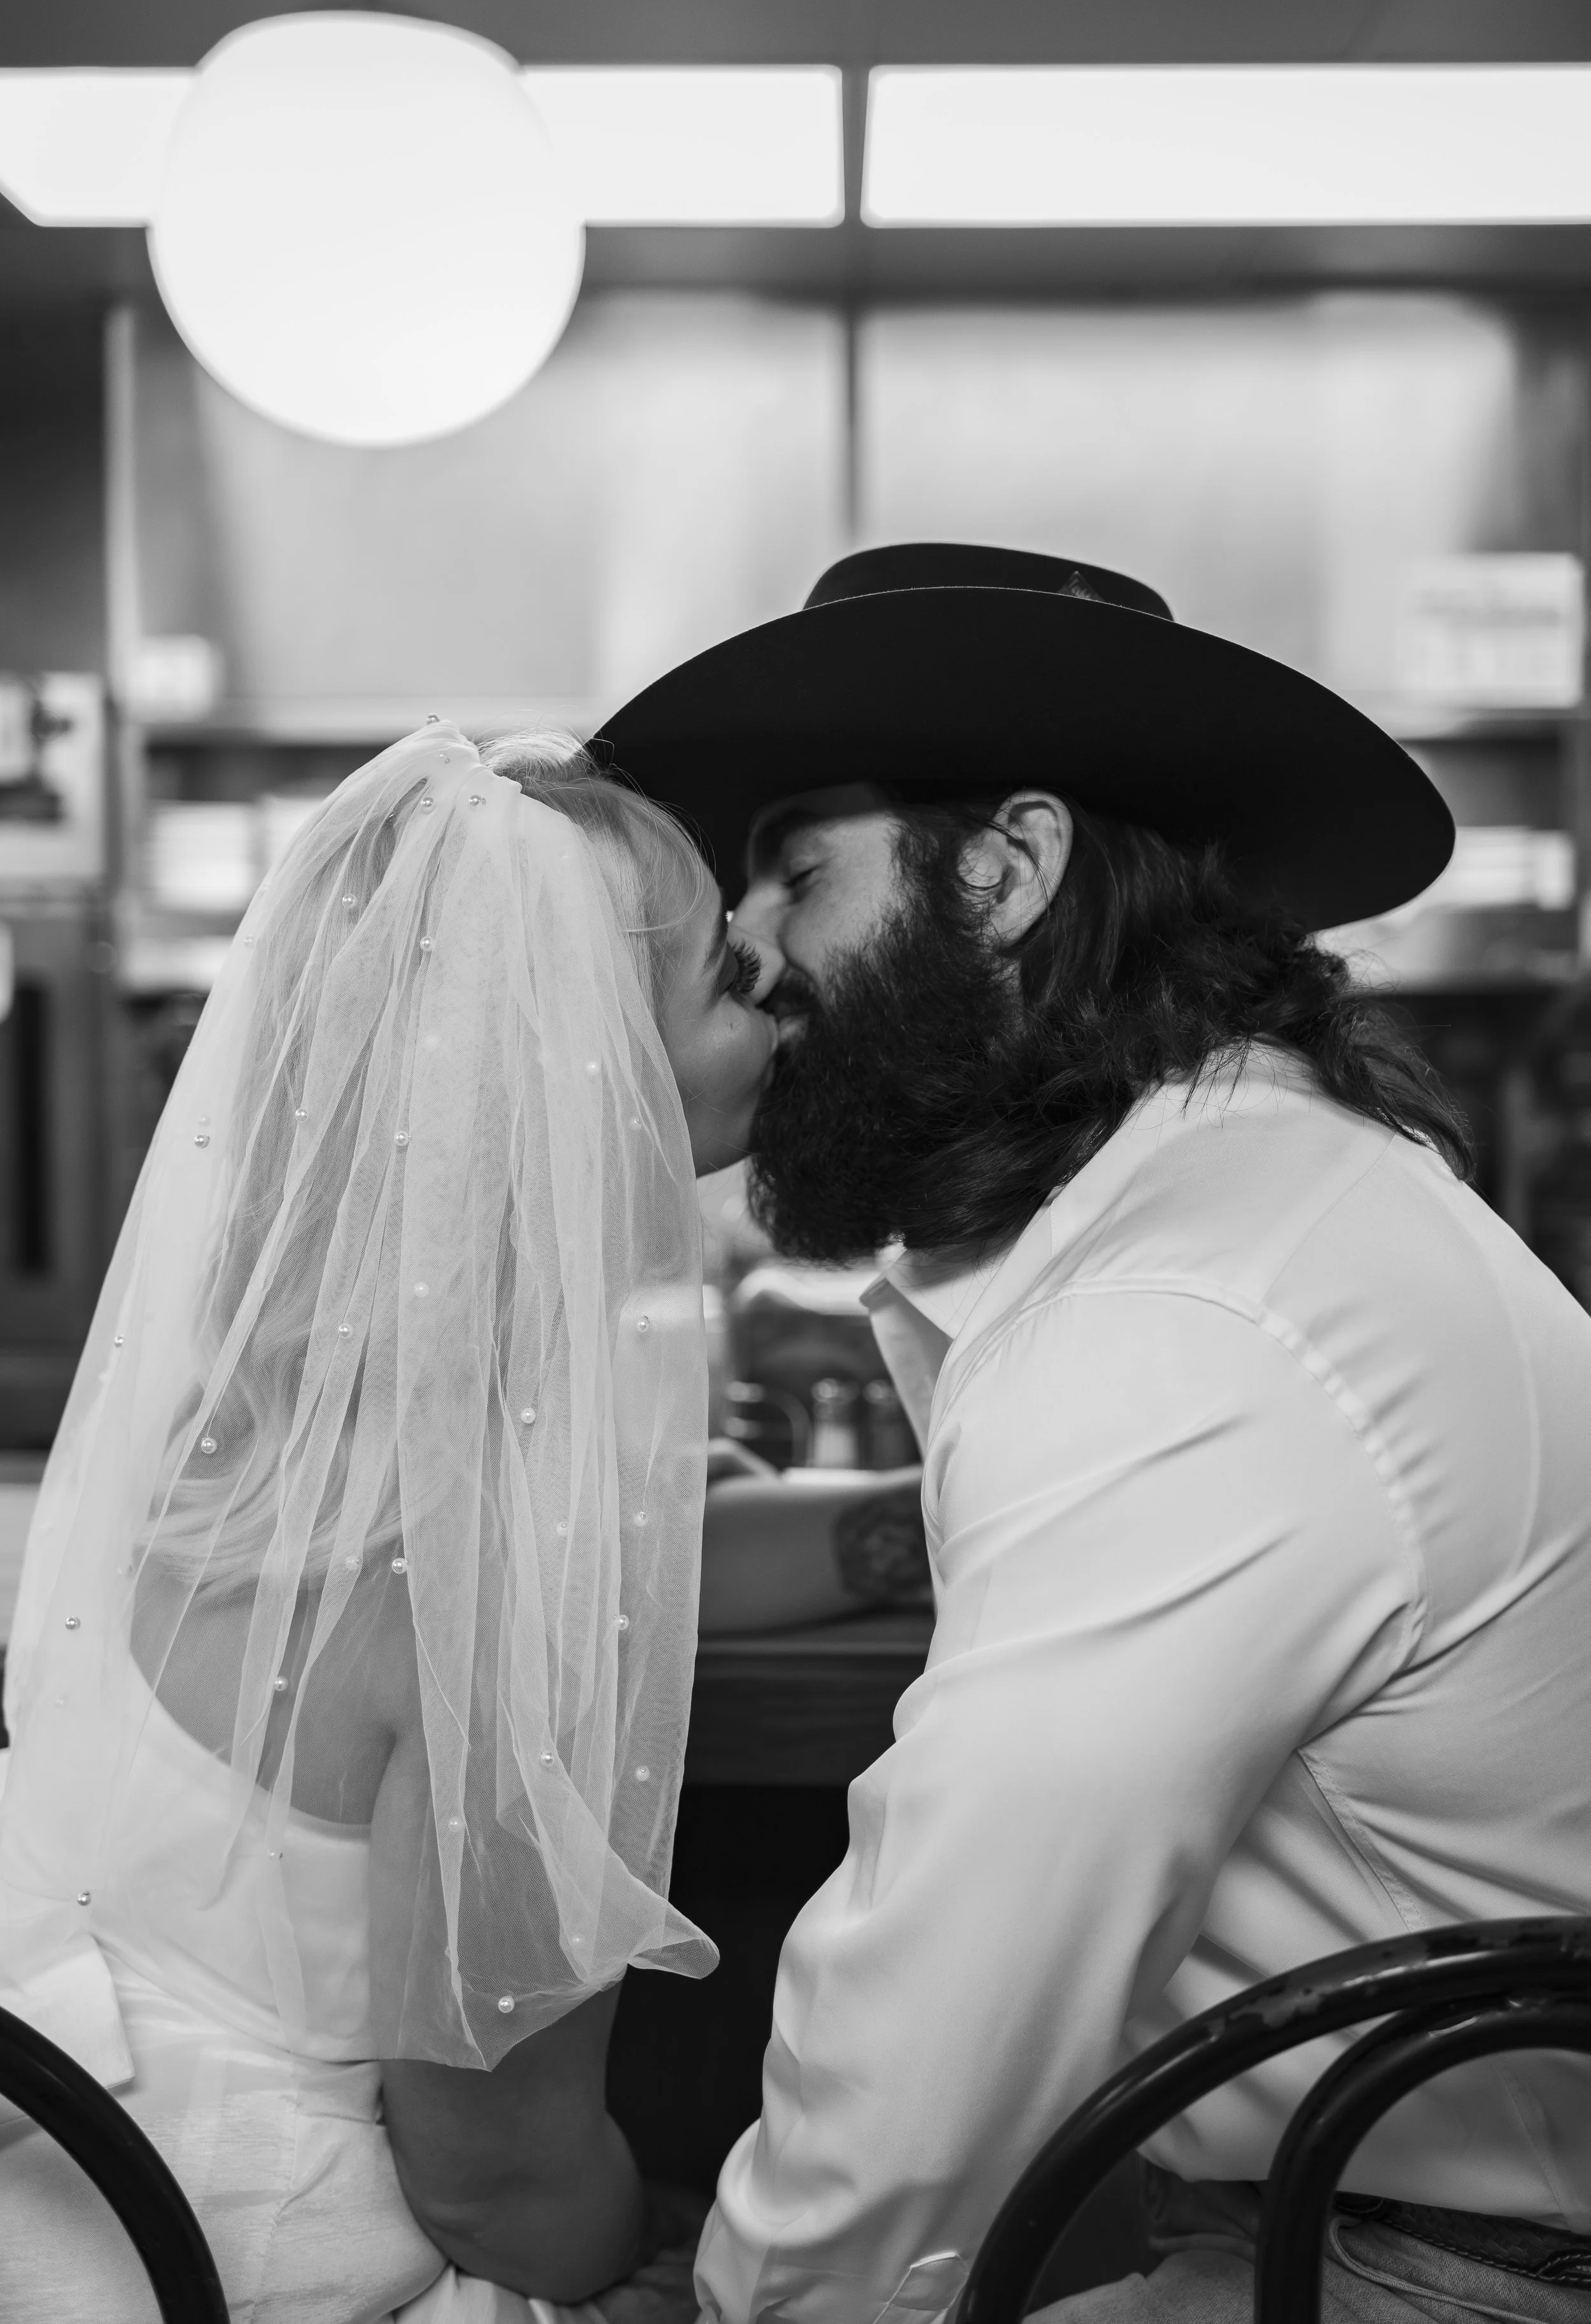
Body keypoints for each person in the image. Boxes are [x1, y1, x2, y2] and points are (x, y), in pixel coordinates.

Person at [599, 544, 1591, 2324]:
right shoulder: (1243, 1205)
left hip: (1438, 2282)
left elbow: (950, 1983)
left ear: (1004, 869)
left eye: (796, 870)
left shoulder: (1183, 1305)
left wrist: (758, 2308)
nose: (744, 944)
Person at [0, 722, 851, 2323]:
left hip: (53, 2184)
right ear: (588, 1080)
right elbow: (498, 2181)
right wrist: (658, 2250)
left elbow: (644, 1562)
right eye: (732, 989)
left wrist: (886, 1532)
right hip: (235, 2259)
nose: (785, 1011)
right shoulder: (478, 1569)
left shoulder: (240, 1423)